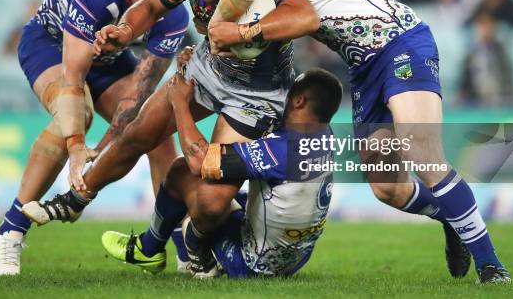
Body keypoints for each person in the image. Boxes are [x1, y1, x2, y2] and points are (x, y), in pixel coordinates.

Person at [206, 0, 510, 283]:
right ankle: (454, 220)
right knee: (389, 188)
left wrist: (222, 28)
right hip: (365, 64)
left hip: (400, 42)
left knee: (422, 150)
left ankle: (492, 267)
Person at [21, 0, 320, 276]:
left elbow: (306, 17)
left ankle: (197, 242)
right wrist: (124, 33)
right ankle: (75, 200)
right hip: (207, 69)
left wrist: (243, 33)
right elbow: (149, 6)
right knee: (137, 133)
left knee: (210, 203)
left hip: (257, 96)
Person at [0, 0, 189, 276]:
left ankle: (184, 248)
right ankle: (10, 230)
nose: (159, 9)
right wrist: (77, 146)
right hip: (51, 44)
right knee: (75, 115)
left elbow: (140, 93)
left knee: (155, 130)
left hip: (108, 60)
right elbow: (73, 78)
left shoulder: (173, 12)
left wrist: (108, 142)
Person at [100, 68, 342, 278]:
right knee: (238, 192)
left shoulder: (280, 151)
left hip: (250, 264)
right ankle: (188, 249)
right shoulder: (325, 136)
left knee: (183, 172)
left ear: (298, 101)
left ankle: (164, 251)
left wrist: (179, 103)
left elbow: (200, 161)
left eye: (289, 94)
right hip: (293, 260)